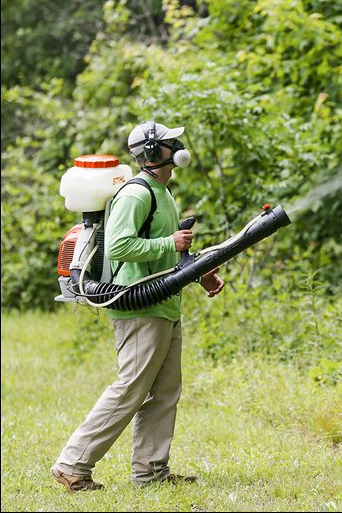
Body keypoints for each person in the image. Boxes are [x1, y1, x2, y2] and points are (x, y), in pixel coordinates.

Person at [51, 121, 225, 492]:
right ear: (150, 153)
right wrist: (171, 243)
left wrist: (201, 273)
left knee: (164, 392)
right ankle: (72, 464)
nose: (175, 145)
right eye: (167, 142)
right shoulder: (136, 194)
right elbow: (119, 247)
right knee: (130, 387)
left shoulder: (164, 192)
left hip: (163, 303)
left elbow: (170, 250)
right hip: (138, 305)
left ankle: (151, 471)